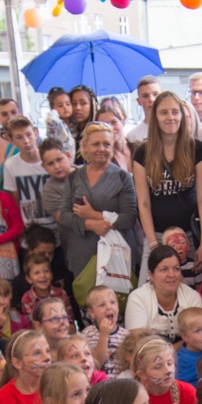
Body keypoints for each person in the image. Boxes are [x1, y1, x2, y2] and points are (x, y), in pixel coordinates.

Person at [59, 123, 141, 306]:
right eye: (96, 144)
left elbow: (128, 218)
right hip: (83, 251)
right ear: (85, 146)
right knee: (88, 306)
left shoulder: (123, 177)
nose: (101, 149)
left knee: (117, 307)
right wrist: (89, 224)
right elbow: (63, 215)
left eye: (106, 144)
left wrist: (94, 214)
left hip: (117, 253)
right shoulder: (73, 178)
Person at [133, 91, 202, 260]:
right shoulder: (142, 152)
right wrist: (153, 243)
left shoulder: (195, 148)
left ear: (182, 116)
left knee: (194, 284)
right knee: (151, 285)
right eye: (163, 112)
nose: (170, 117)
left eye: (175, 112)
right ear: (155, 117)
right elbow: (143, 203)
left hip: (190, 234)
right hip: (157, 235)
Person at [124, 245, 202, 343]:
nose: (171, 275)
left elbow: (201, 339)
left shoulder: (192, 296)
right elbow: (137, 345)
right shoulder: (138, 298)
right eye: (164, 269)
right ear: (151, 275)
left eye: (176, 269)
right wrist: (185, 343)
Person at [44, 87, 75, 152]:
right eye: (60, 105)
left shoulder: (75, 124)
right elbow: (51, 119)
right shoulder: (54, 124)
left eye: (68, 104)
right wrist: (53, 113)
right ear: (53, 109)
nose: (65, 107)